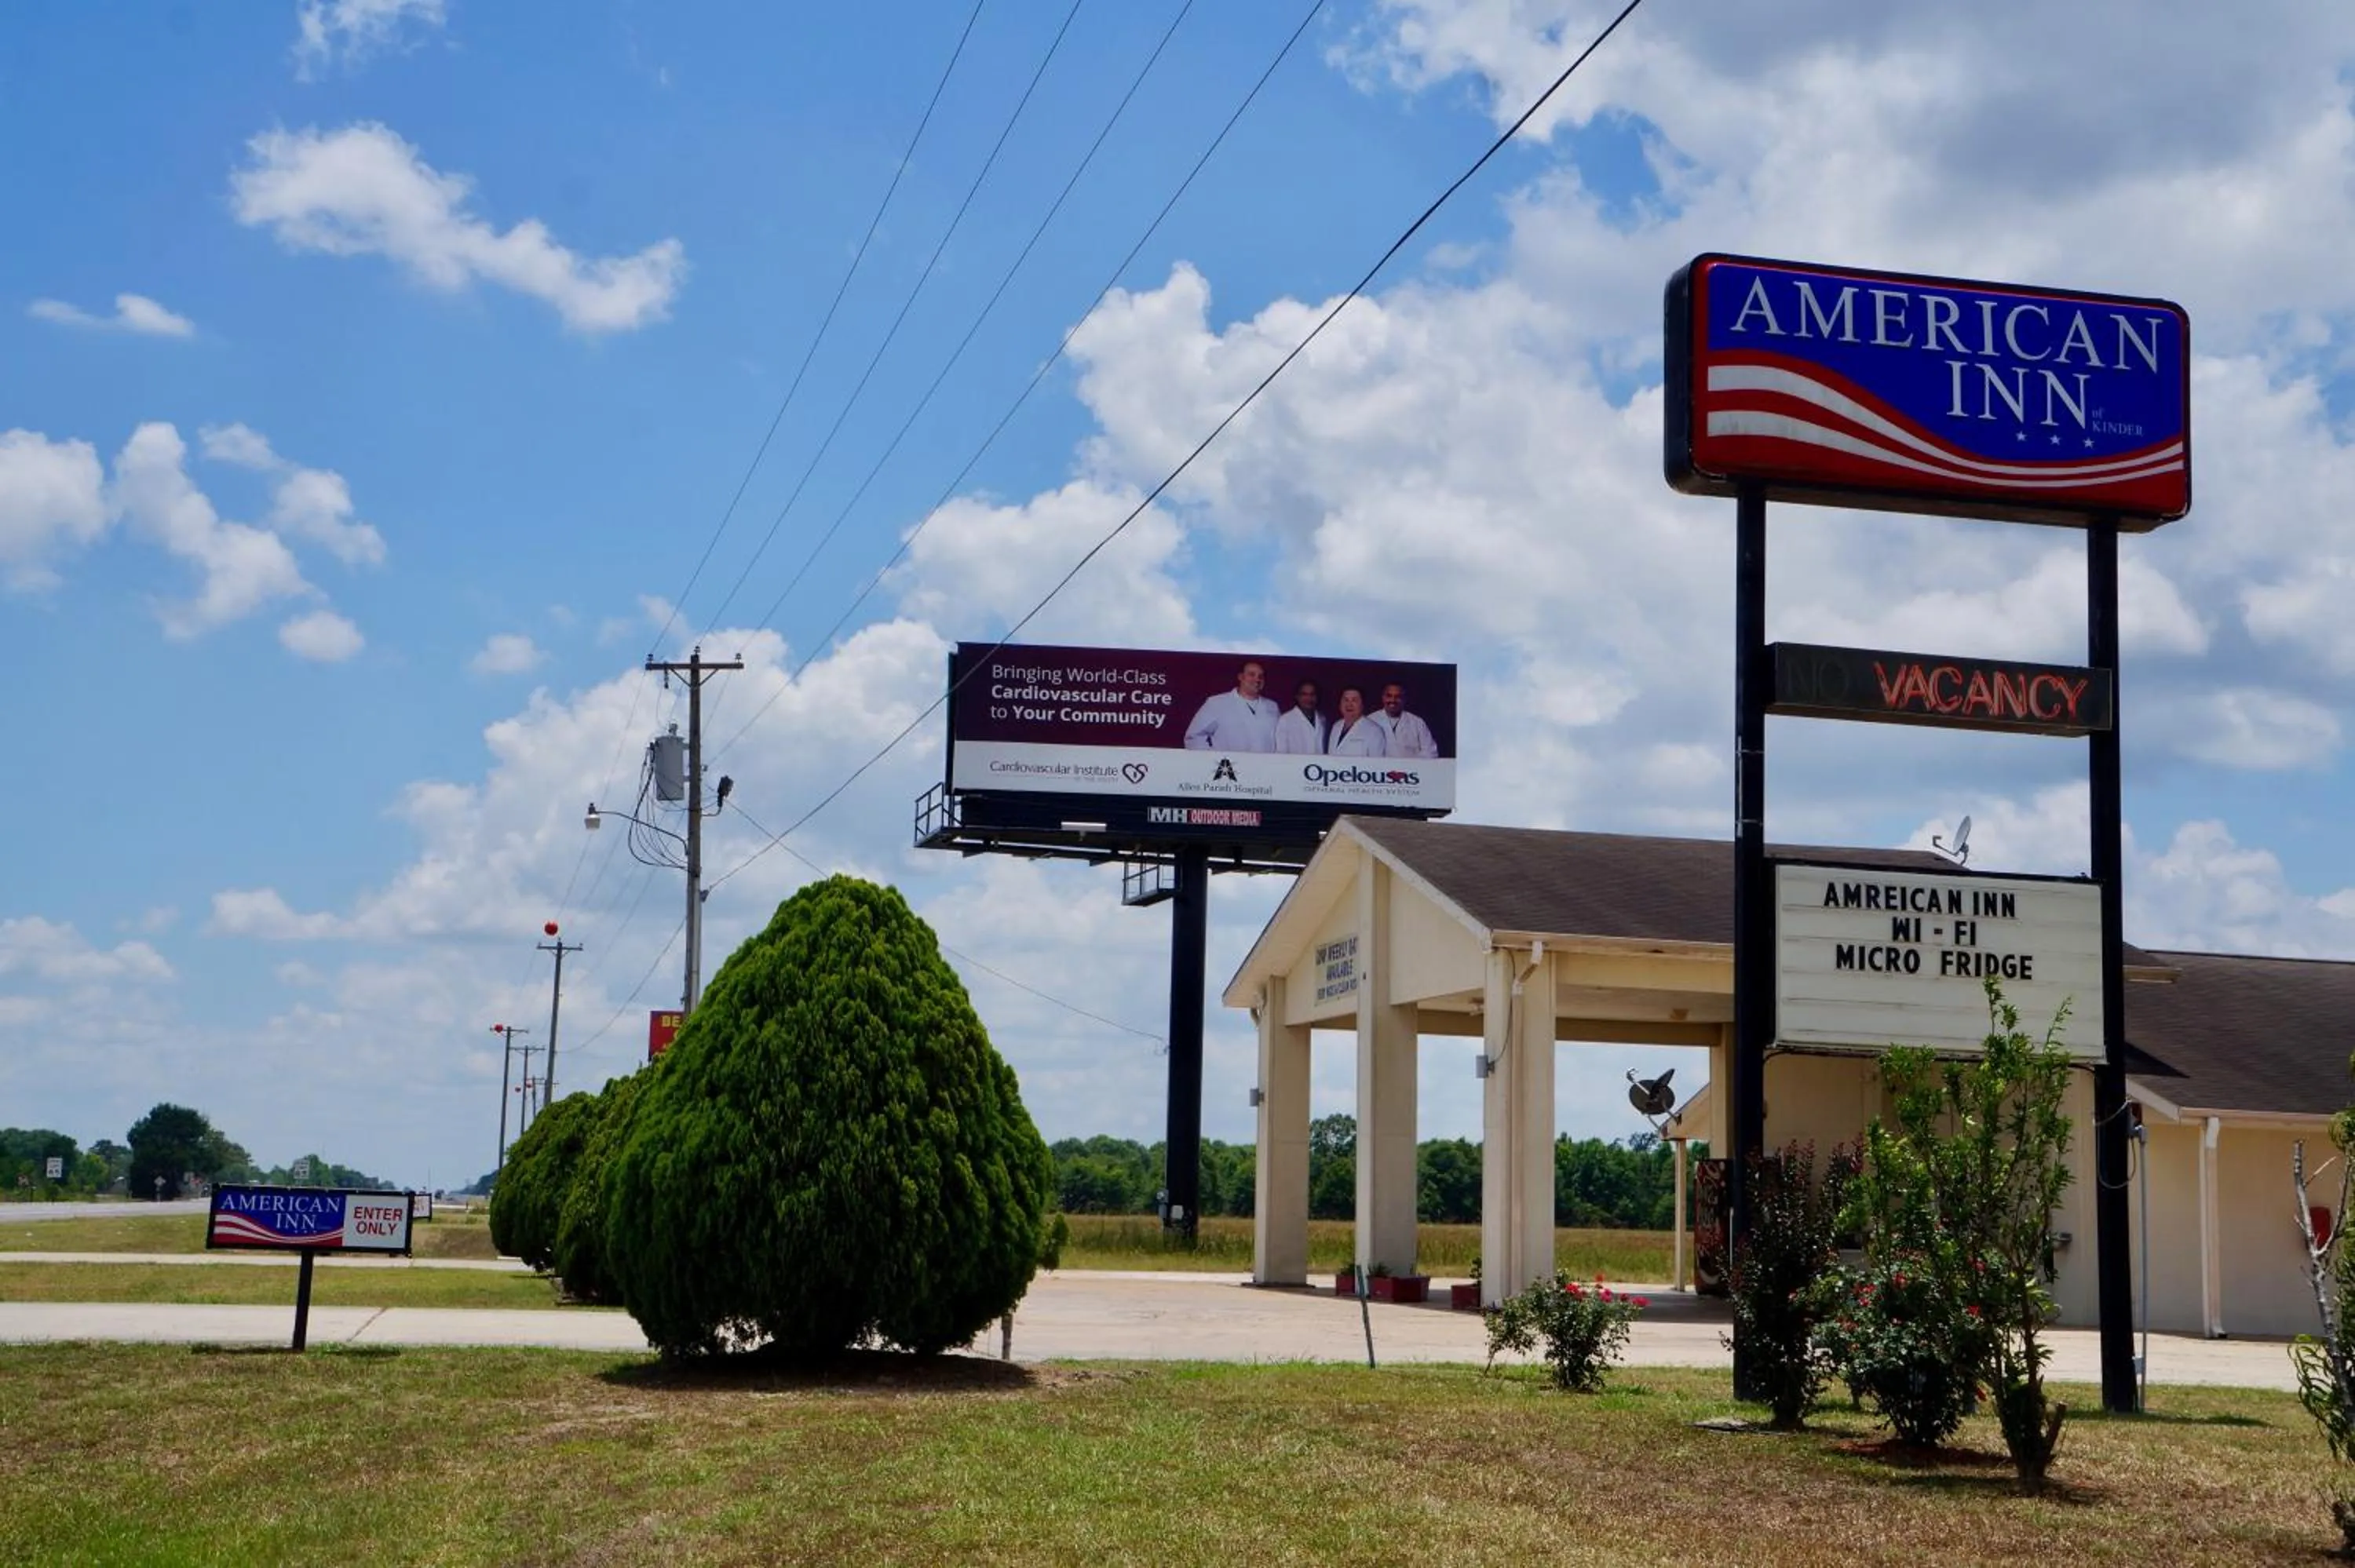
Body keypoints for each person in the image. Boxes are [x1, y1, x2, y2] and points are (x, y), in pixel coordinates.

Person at [1184, 659, 1280, 752]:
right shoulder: (1217, 703)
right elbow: (1193, 737)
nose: (1257, 679)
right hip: (1231, 765)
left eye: (1261, 676)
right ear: (1241, 677)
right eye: (1252, 675)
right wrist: (1212, 758)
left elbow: (1280, 739)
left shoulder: (1272, 706)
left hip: (1265, 765)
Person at [1373, 683, 1439, 759]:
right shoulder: (1371, 720)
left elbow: (1431, 752)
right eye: (1389, 696)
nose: (1393, 700)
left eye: (1398, 697)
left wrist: (1410, 766)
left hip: (1413, 769)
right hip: (1380, 770)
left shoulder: (1417, 722)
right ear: (1383, 698)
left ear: (1404, 699)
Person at [1325, 687, 1386, 757]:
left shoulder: (1374, 731)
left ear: (1362, 705)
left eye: (1354, 700)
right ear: (1340, 704)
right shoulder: (1336, 726)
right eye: (1346, 700)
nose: (1349, 704)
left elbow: (1377, 764)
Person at [1274, 680, 1326, 755]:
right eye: (1304, 694)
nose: (1309, 698)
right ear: (1297, 697)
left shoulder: (1322, 719)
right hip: (1295, 765)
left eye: (1312, 694)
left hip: (1318, 765)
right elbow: (1281, 752)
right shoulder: (1285, 720)